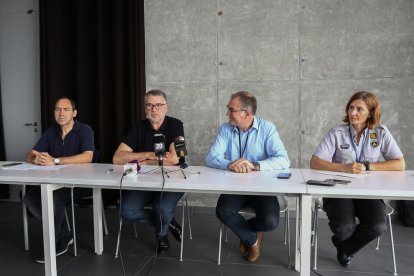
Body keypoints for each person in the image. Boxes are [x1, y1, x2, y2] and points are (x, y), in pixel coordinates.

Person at [310, 91, 405, 268]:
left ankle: (344, 248)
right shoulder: (336, 133)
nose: (353, 113)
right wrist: (344, 167)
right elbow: (315, 162)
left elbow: (399, 164)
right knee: (344, 228)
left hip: (368, 190)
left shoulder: (381, 133)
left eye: (359, 109)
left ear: (371, 112)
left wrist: (369, 166)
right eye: (351, 108)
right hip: (339, 190)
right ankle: (346, 245)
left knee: (377, 225)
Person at [205, 91, 290, 263]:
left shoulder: (267, 128)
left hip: (262, 187)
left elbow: (283, 159)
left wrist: (255, 165)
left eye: (231, 110)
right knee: (223, 211)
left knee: (270, 221)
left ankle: (247, 232)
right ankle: (253, 239)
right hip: (235, 186)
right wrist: (229, 164)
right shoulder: (225, 129)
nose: (227, 113)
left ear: (247, 114)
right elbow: (211, 157)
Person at [113, 89, 184, 254]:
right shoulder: (138, 128)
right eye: (150, 105)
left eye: (158, 105)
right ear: (145, 108)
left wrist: (141, 160)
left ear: (166, 107)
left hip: (173, 179)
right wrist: (146, 154)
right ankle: (167, 223)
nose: (154, 109)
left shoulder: (176, 125)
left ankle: (162, 234)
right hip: (144, 180)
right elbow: (117, 158)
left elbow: (175, 159)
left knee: (162, 208)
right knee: (125, 209)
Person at [24, 97, 94, 263]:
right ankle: (63, 233)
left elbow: (88, 156)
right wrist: (37, 159)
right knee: (28, 197)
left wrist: (55, 160)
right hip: (55, 182)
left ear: (74, 113)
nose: (61, 113)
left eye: (66, 109)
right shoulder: (50, 132)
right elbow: (30, 154)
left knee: (54, 198)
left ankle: (54, 244)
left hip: (80, 183)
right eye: (57, 109)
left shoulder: (85, 130)